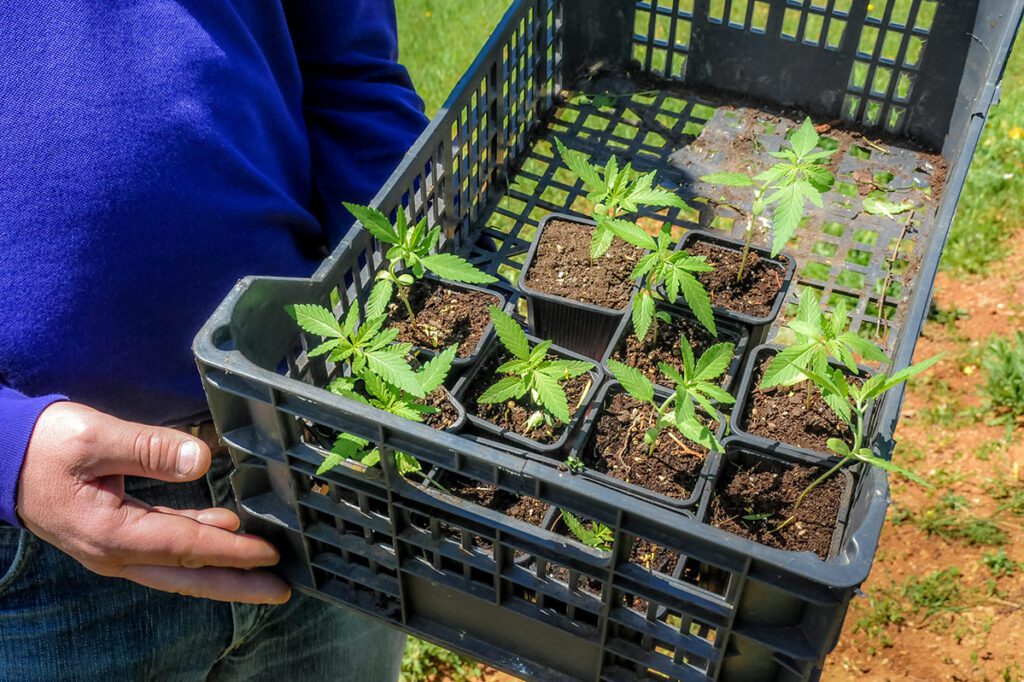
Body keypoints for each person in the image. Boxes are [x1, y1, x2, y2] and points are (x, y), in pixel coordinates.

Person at [0, 2, 427, 679]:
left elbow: (350, 76)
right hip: (37, 554)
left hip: (317, 458)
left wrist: (421, 302)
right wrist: (8, 449)